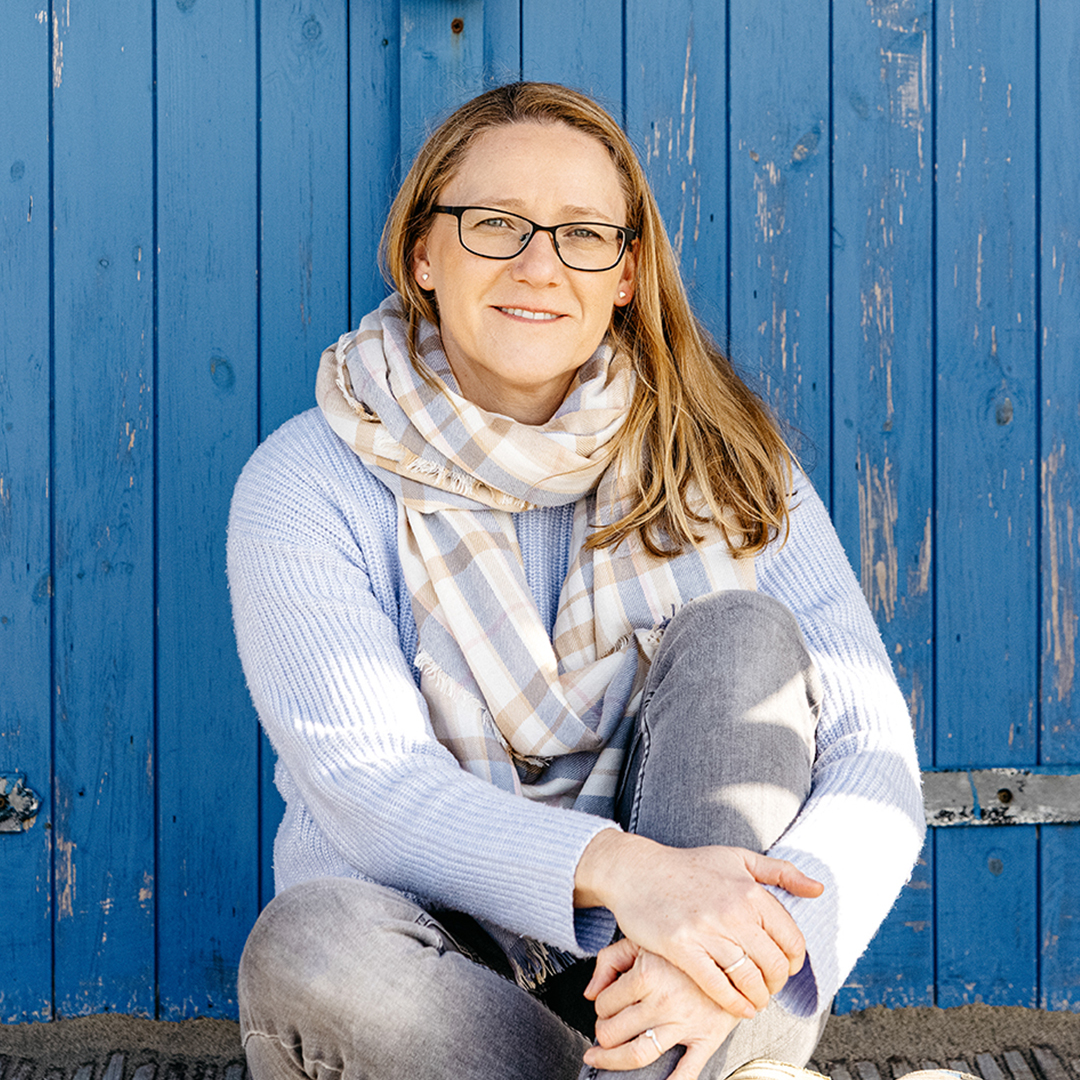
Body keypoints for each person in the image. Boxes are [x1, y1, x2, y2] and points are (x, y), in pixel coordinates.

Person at [227, 81, 924, 1080]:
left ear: (627, 272)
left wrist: (749, 927)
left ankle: (663, 1054)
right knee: (310, 949)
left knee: (743, 641)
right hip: (444, 995)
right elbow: (372, 788)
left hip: (698, 992)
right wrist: (632, 880)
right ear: (422, 252)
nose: (539, 265)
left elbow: (874, 755)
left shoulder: (722, 458)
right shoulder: (311, 480)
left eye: (583, 233)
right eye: (496, 224)